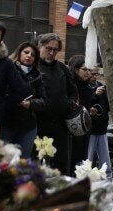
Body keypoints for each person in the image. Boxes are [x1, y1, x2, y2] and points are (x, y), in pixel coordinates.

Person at [36, 33, 78, 175]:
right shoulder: (34, 66)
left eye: (55, 50)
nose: (52, 53)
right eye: (49, 48)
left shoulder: (63, 69)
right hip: (38, 124)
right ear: (40, 46)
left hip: (60, 126)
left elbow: (73, 91)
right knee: (35, 164)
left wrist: (70, 103)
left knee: (60, 166)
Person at [0, 42, 46, 158]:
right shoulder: (8, 69)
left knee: (22, 162)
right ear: (19, 53)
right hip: (7, 123)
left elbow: (43, 101)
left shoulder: (38, 76)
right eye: (26, 52)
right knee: (4, 160)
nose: (29, 56)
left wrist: (30, 103)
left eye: (33, 55)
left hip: (28, 126)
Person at [67, 55, 91, 174]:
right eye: (85, 69)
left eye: (89, 70)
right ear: (76, 70)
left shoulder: (87, 86)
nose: (88, 72)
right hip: (71, 131)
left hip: (84, 131)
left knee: (80, 161)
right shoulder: (70, 86)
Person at [87, 65, 112, 178]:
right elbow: (85, 104)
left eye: (97, 74)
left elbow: (108, 107)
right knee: (87, 161)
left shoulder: (101, 86)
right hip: (90, 130)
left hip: (102, 129)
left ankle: (108, 184)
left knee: (106, 163)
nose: (95, 76)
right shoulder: (85, 87)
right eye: (92, 74)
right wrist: (95, 95)